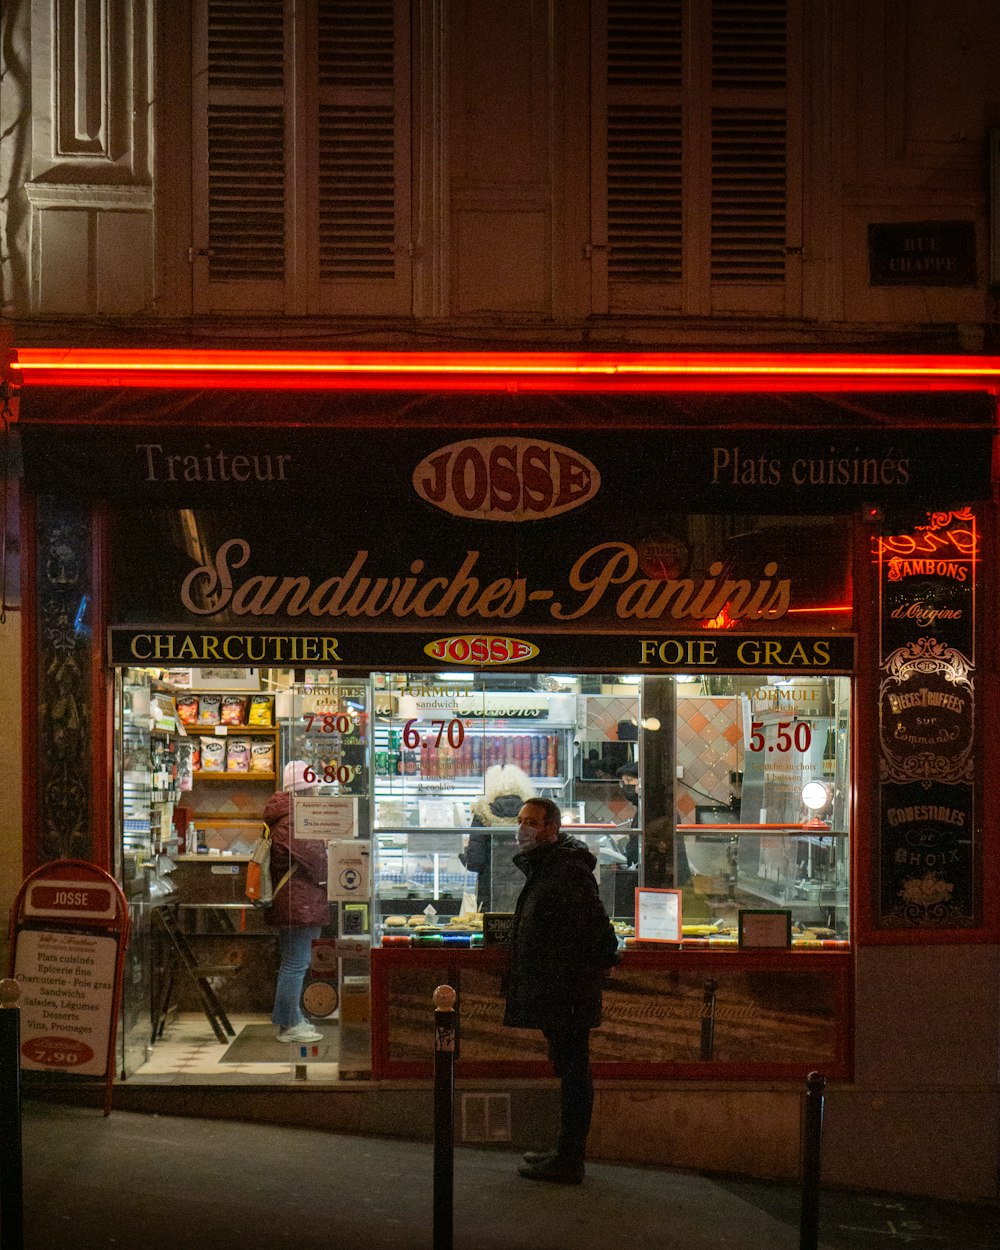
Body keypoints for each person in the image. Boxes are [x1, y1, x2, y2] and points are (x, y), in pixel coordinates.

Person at [503, 797, 619, 1185]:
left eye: (531, 821)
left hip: (567, 992)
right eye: (520, 820)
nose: (523, 828)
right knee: (568, 1070)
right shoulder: (549, 866)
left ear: (551, 828)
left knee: (574, 1073)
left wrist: (574, 972)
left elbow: (600, 934)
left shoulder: (567, 870)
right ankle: (564, 1153)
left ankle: (570, 1160)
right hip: (559, 990)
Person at [263, 760, 330, 1044]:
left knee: (294, 961)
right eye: (313, 788)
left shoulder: (286, 816)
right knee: (295, 963)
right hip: (298, 901)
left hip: (297, 899)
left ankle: (289, 1018)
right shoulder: (293, 820)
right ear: (305, 790)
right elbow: (316, 861)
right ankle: (289, 1024)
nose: (316, 793)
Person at [462, 763, 536, 912]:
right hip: (526, 893)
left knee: (494, 932)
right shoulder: (532, 814)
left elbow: (475, 863)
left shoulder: (482, 813)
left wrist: (464, 853)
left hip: (490, 896)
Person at [615, 761, 641, 867]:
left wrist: (624, 861)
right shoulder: (641, 809)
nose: (626, 785)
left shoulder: (651, 810)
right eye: (623, 782)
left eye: (629, 780)